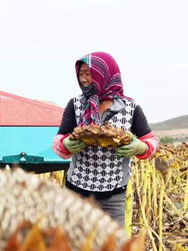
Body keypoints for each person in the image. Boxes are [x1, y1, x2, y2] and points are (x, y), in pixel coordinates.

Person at [52, 52, 159, 224]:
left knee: (112, 247)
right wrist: (66, 144)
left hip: (113, 196)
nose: (83, 80)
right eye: (81, 74)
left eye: (89, 74)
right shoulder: (75, 105)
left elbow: (152, 141)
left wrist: (141, 147)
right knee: (74, 246)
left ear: (104, 74)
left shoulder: (130, 108)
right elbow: (57, 141)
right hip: (77, 193)